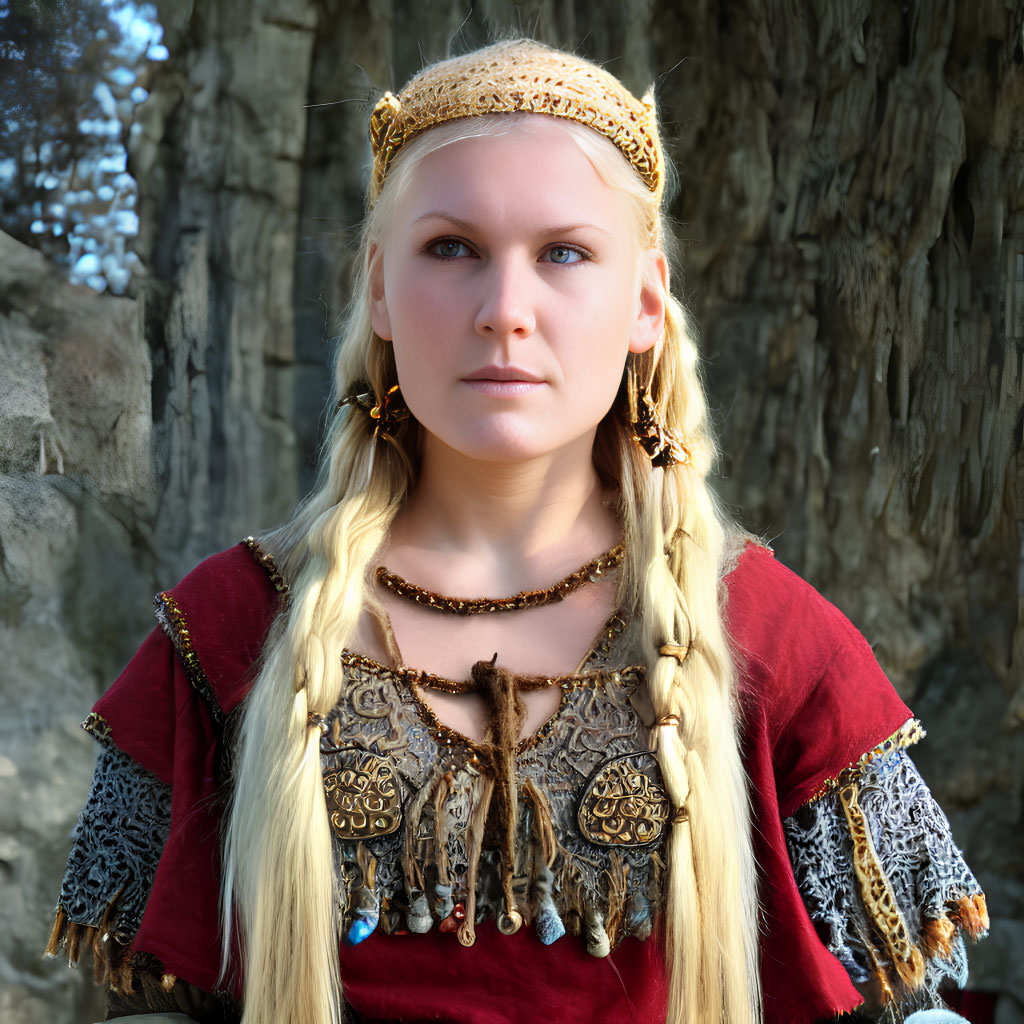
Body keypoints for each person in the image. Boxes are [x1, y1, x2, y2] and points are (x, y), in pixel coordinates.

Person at [47, 38, 988, 1024]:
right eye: (450, 247)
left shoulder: (774, 642)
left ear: (644, 304)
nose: (505, 311)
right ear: (377, 285)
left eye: (564, 253)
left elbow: (903, 1008)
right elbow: (150, 1005)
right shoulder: (227, 628)